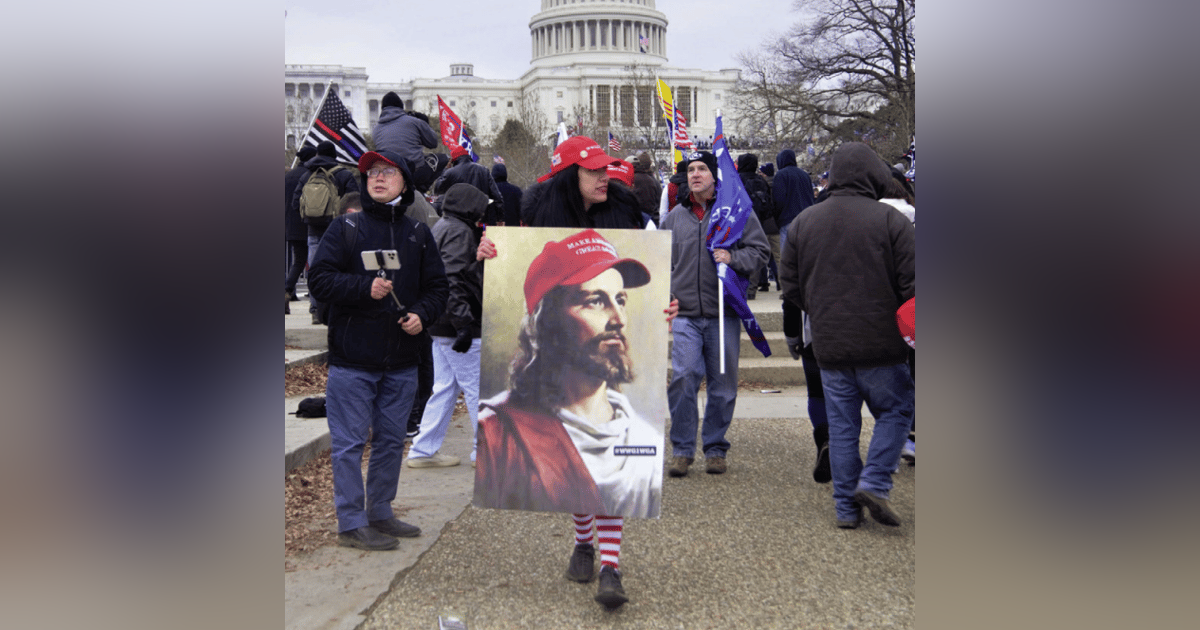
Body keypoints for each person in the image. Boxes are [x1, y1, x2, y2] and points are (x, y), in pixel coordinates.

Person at [476, 136, 677, 610]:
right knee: (576, 461)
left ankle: (610, 563)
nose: (605, 176)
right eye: (593, 170)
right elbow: (502, 265)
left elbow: (665, 271)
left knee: (602, 463)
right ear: (571, 176)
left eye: (608, 168)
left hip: (601, 411)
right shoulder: (503, 430)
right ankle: (584, 542)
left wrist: (668, 304)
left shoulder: (627, 215)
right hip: (545, 399)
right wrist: (485, 253)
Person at [307, 149, 449, 550]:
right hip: (353, 361)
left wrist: (422, 314)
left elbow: (438, 289)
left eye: (388, 172)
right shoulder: (345, 229)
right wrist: (362, 288)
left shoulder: (418, 235)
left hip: (402, 361)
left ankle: (380, 511)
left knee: (389, 441)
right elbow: (319, 281)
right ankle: (351, 522)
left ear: (405, 182)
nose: (378, 178)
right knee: (350, 445)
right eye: (372, 173)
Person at [474, 228, 661, 517]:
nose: (619, 319)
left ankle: (609, 560)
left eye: (620, 300)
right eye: (595, 301)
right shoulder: (498, 434)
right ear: (546, 320)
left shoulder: (645, 439)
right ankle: (584, 547)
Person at [779, 142, 916, 530]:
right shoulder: (892, 222)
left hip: (830, 342)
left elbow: (790, 284)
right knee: (897, 411)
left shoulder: (805, 222)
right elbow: (914, 286)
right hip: (882, 342)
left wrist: (820, 306)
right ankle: (874, 481)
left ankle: (845, 508)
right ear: (874, 175)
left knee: (842, 427)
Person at [659, 150, 770, 477]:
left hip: (724, 313)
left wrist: (733, 259)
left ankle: (715, 447)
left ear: (715, 175)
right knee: (683, 378)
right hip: (686, 315)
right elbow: (661, 263)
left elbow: (760, 251)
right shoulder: (674, 218)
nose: (695, 174)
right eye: (690, 169)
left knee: (722, 385)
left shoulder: (736, 213)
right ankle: (681, 449)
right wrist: (666, 295)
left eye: (702, 169)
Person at [407, 183, 488, 469]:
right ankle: (487, 453)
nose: (484, 210)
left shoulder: (443, 225)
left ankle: (423, 450)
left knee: (445, 388)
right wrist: (464, 322)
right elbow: (453, 278)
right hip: (457, 323)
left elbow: (449, 273)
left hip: (440, 323)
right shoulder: (460, 231)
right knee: (479, 388)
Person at [293, 141, 360, 324]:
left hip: (313, 229)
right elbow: (355, 201)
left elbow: (296, 202)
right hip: (339, 229)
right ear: (334, 154)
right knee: (338, 270)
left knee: (315, 270)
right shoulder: (344, 174)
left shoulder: (307, 174)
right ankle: (334, 308)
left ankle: (315, 308)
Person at [736, 152, 777, 300]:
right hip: (760, 221)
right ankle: (751, 289)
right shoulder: (761, 180)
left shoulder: (737, 179)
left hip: (740, 222)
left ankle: (742, 287)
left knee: (739, 255)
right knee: (754, 253)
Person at [433, 145, 505, 225]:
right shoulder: (484, 170)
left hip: (460, 221)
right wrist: (500, 218)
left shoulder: (451, 172)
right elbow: (497, 196)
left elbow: (437, 189)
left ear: (454, 160)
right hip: (481, 219)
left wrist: (446, 169)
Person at [285, 145, 317, 307]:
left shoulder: (288, 176)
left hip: (289, 225)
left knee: (297, 260)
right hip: (308, 223)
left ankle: (289, 291)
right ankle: (291, 289)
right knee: (313, 260)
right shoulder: (310, 176)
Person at [371, 91, 439, 166]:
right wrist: (424, 124)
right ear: (401, 107)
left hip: (389, 170)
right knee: (441, 159)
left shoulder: (375, 129)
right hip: (414, 169)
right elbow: (433, 143)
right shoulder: (414, 122)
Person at [631, 152, 662, 224]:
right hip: (653, 220)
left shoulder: (633, 178)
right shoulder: (653, 181)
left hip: (641, 221)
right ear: (650, 164)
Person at [491, 162, 524, 227]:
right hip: (513, 231)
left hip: (492, 231)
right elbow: (523, 212)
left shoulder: (488, 191)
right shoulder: (516, 191)